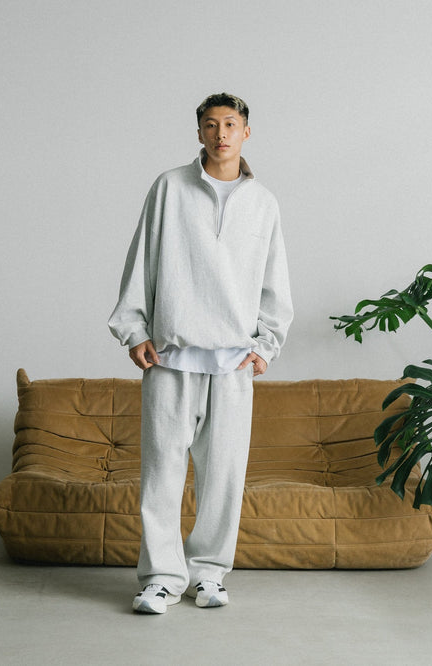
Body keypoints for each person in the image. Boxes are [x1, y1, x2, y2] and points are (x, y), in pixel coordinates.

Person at [108, 92, 293, 613]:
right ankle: (161, 579)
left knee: (223, 478)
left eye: (230, 124)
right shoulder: (169, 188)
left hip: (233, 364)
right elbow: (141, 261)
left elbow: (275, 279)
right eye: (210, 125)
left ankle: (209, 574)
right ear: (199, 133)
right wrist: (134, 331)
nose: (220, 133)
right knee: (161, 476)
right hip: (170, 359)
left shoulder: (264, 202)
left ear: (246, 132)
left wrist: (266, 346)